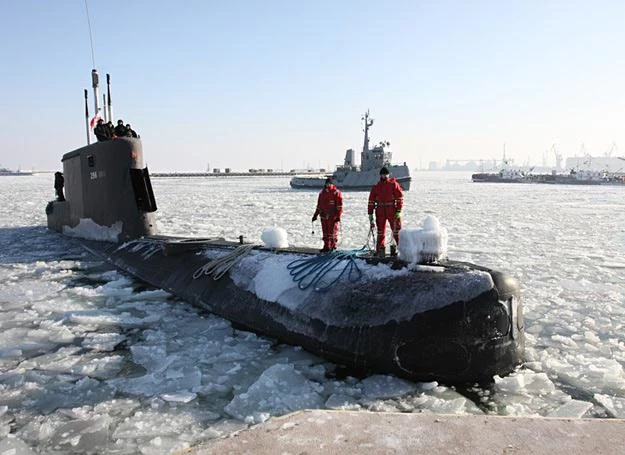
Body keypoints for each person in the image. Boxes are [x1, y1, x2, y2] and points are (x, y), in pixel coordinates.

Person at [368, 166, 403, 257]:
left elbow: (399, 198)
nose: (384, 176)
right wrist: (370, 214)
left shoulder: (393, 184)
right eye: (382, 174)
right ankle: (380, 250)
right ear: (380, 175)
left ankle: (402, 250)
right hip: (380, 210)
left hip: (391, 209)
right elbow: (371, 201)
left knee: (396, 231)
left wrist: (399, 210)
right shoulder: (376, 187)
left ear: (388, 175)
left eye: (385, 174)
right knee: (380, 232)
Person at [312, 177, 343, 252]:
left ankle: (333, 246)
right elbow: (319, 206)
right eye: (327, 183)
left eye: (329, 183)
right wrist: (315, 215)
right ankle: (326, 246)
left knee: (332, 232)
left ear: (332, 184)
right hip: (323, 215)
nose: (328, 185)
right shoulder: (322, 193)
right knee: (325, 232)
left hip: (332, 216)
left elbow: (339, 206)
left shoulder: (336, 193)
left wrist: (338, 216)